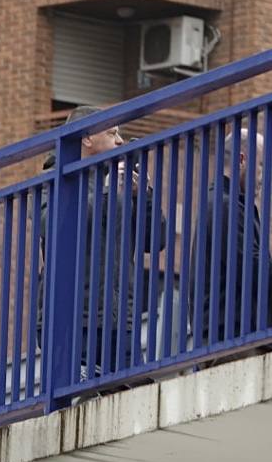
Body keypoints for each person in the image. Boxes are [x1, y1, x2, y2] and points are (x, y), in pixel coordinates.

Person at [35, 106, 166, 382]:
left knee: (135, 402)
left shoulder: (120, 185)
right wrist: (108, 192)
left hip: (120, 319)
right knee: (72, 407)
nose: (120, 141)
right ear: (86, 139)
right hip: (72, 319)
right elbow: (54, 226)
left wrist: (144, 195)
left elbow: (155, 241)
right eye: (112, 132)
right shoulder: (56, 179)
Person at [190, 129, 269, 345]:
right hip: (230, 338)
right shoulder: (226, 206)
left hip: (227, 335)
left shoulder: (224, 203)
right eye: (262, 165)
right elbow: (256, 269)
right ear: (242, 160)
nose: (264, 176)